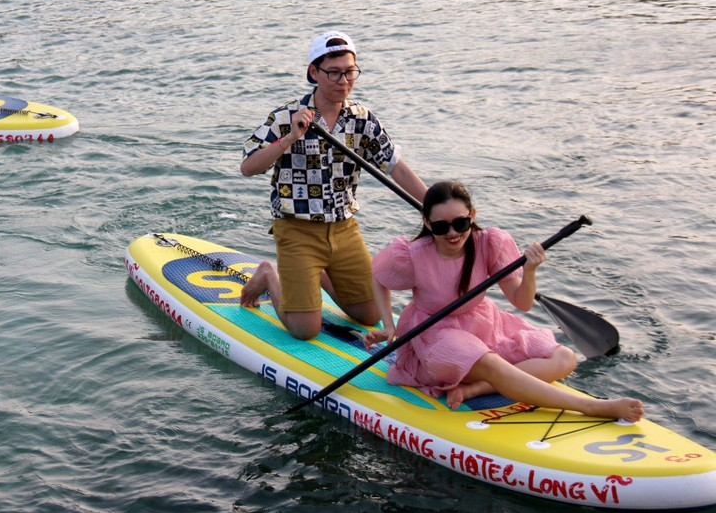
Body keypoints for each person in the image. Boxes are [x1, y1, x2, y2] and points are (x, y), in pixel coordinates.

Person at [364, 180, 643, 421]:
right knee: (494, 364)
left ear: (472, 215)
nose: (452, 233)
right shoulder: (413, 253)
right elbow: (380, 276)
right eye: (441, 227)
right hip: (436, 336)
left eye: (460, 223)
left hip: (483, 324)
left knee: (564, 358)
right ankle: (591, 407)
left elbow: (522, 302)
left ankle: (478, 387)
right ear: (427, 223)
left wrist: (531, 271)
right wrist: (389, 326)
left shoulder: (491, 243)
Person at [239, 31, 427, 340]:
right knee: (305, 330)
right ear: (314, 72)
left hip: (344, 230)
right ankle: (269, 275)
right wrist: (290, 138)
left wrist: (434, 209)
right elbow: (248, 166)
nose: (343, 81)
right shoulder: (286, 116)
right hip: (297, 229)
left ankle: (318, 274)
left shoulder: (363, 120)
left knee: (370, 315)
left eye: (350, 72)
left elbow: (398, 170)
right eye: (334, 73)